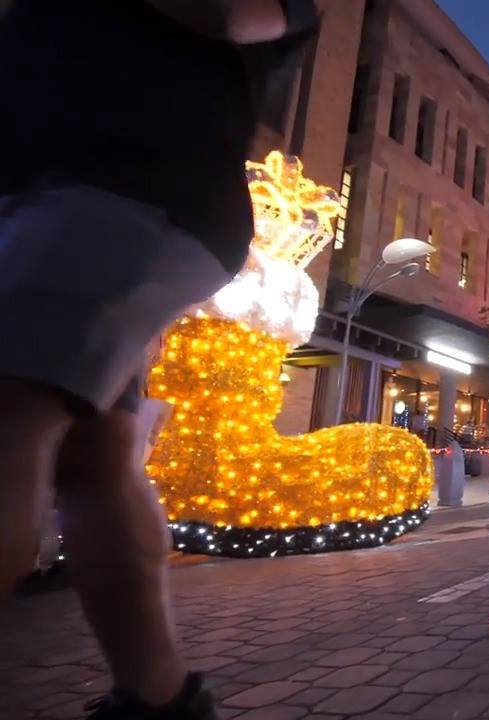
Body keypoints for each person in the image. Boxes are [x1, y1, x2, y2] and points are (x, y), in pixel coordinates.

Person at [0, 2, 318, 718]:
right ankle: (159, 693)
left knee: (13, 408)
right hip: (63, 185)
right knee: (94, 456)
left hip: (125, 184)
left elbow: (238, 12)